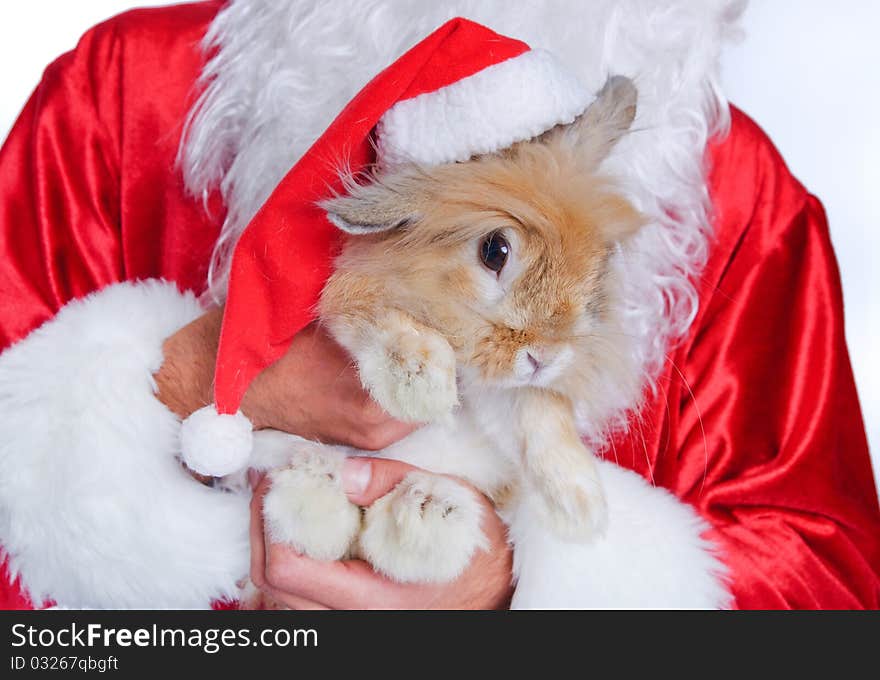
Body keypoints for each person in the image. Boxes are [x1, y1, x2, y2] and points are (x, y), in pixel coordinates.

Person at [0, 0, 877, 610]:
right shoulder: (119, 97)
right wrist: (205, 382)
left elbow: (828, 579)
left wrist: (517, 586)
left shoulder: (740, 195)